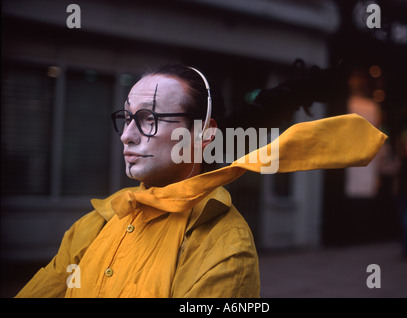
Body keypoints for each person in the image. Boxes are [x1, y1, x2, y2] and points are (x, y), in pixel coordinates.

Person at [16, 63, 387, 298]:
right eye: (126, 118)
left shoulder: (224, 247)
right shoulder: (96, 224)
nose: (126, 135)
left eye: (148, 118)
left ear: (204, 135)